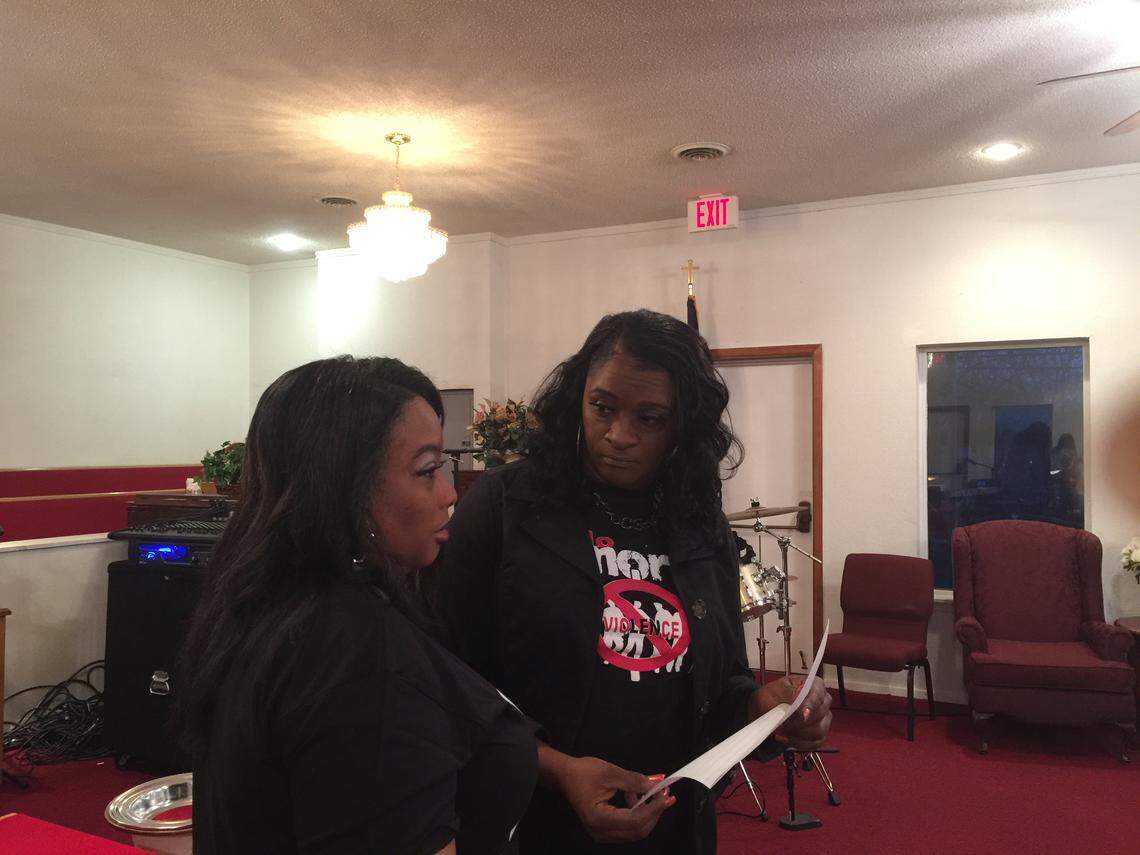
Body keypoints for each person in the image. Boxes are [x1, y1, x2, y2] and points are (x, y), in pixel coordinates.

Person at [433, 310, 832, 854]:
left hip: (672, 821)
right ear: (578, 398)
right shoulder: (506, 507)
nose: (619, 435)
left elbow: (721, 689)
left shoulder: (699, 523)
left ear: (682, 426)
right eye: (603, 407)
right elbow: (448, 684)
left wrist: (763, 714)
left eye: (649, 418)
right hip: (531, 821)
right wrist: (558, 770)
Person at [177, 356, 537, 854]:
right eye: (428, 470)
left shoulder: (273, 602)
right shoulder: (357, 657)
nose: (451, 493)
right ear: (347, 489)